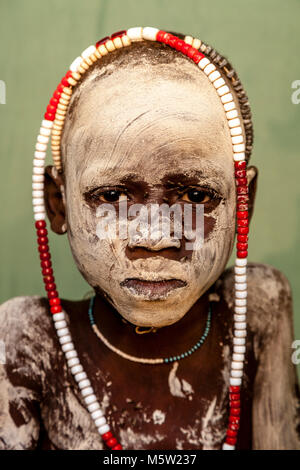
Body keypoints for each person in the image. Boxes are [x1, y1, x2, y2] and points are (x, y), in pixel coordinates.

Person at [0, 28, 299, 450]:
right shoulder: (27, 341)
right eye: (113, 196)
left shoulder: (256, 312)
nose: (155, 238)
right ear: (59, 203)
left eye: (197, 195)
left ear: (242, 203)